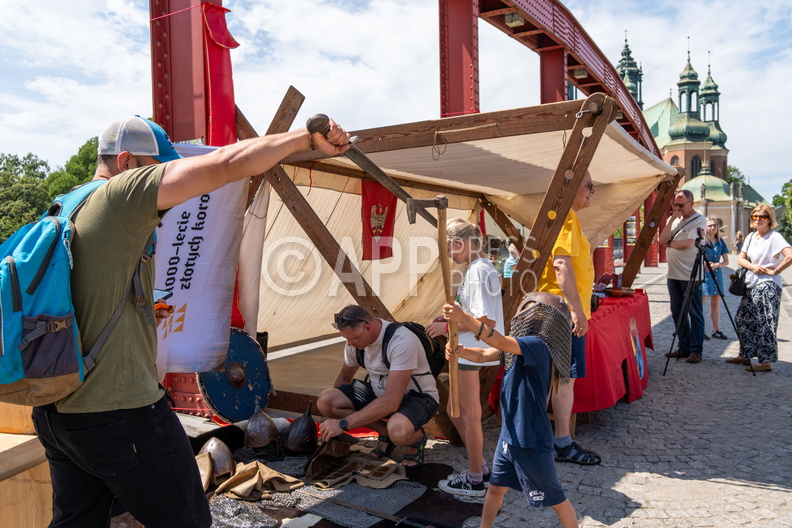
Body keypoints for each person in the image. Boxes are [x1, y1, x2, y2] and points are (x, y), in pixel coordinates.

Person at [31, 115, 351, 527]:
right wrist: (305, 138)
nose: (167, 181)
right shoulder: (120, 194)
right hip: (118, 409)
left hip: (59, 410)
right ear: (127, 162)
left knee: (78, 520)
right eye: (157, 168)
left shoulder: (66, 203)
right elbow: (227, 164)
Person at [443, 294, 579, 528]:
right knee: (495, 488)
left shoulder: (538, 347)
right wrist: (461, 351)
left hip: (531, 440)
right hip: (509, 437)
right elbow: (485, 354)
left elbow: (499, 342)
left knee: (556, 499)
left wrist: (464, 317)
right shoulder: (519, 347)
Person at [425, 218, 504, 496]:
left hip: (470, 352)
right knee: (456, 411)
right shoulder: (478, 269)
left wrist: (446, 327)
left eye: (449, 249)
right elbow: (471, 314)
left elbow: (486, 321)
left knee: (467, 415)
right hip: (466, 350)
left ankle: (474, 479)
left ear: (460, 243)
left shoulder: (479, 271)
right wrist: (450, 319)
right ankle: (479, 468)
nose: (448, 255)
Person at [317, 305, 439, 465]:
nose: (350, 344)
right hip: (379, 392)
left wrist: (343, 423)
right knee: (326, 401)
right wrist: (330, 417)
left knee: (398, 431)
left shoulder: (401, 341)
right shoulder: (354, 343)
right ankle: (384, 433)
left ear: (367, 327)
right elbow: (345, 378)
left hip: (417, 396)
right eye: (347, 339)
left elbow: (391, 402)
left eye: (353, 339)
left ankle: (416, 440)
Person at [537, 171, 600, 466]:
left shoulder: (567, 216)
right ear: (574, 186)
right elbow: (562, 265)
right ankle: (561, 442)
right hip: (561, 311)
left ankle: (550, 439)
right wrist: (576, 310)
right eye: (589, 186)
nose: (592, 191)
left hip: (557, 310)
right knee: (564, 379)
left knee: (558, 379)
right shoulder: (567, 217)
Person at [726, 205, 792, 372]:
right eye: (754, 216)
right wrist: (752, 266)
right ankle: (745, 354)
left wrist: (776, 270)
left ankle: (765, 361)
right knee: (742, 319)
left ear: (769, 219)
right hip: (752, 282)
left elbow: (790, 255)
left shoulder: (774, 237)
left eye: (761, 217)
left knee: (765, 322)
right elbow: (741, 259)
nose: (757, 219)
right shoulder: (750, 237)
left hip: (768, 284)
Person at [659, 189, 707, 364]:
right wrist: (671, 217)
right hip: (673, 274)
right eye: (675, 205)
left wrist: (670, 243)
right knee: (677, 312)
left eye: (681, 205)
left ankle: (696, 350)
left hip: (691, 275)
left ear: (691, 203)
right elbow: (661, 240)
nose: (678, 208)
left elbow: (688, 243)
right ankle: (683, 346)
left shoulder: (700, 220)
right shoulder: (675, 220)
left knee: (694, 312)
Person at [701, 217, 730, 340]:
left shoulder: (721, 242)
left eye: (715, 225)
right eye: (710, 225)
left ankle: (716, 330)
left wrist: (717, 265)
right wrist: (705, 263)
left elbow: (726, 261)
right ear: (705, 227)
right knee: (700, 303)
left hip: (716, 274)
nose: (713, 228)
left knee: (715, 303)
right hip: (704, 274)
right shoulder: (702, 241)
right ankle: (699, 330)